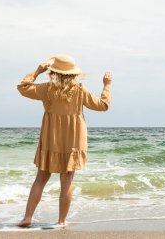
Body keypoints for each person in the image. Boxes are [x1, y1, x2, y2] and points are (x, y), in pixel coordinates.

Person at [16, 54, 112, 227]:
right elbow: (102, 106)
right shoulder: (80, 90)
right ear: (73, 74)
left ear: (53, 72)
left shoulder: (47, 89)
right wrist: (106, 87)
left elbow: (23, 87)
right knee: (67, 181)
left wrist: (37, 71)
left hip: (51, 137)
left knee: (41, 178)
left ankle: (27, 218)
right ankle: (61, 221)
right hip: (73, 139)